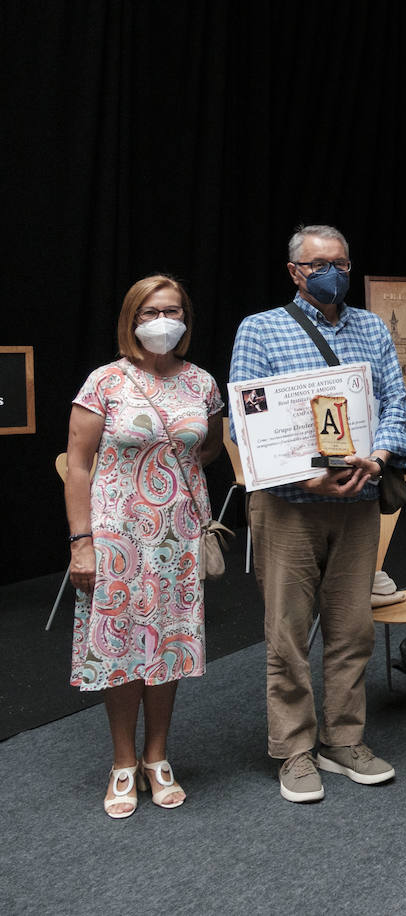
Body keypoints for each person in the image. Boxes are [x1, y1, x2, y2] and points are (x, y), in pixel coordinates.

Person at [229, 225, 406, 803]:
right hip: (289, 507)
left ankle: (344, 739)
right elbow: (243, 422)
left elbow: (396, 405)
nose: (331, 272)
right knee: (286, 633)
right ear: (294, 272)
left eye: (340, 262)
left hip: (358, 504)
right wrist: (302, 475)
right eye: (318, 264)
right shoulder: (259, 330)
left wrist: (379, 459)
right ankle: (294, 750)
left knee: (352, 631)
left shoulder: (373, 328)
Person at [65, 275, 224, 817]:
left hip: (176, 536)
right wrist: (81, 543)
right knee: (121, 649)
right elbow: (78, 467)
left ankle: (158, 756)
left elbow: (209, 447)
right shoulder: (104, 381)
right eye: (150, 312)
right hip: (115, 535)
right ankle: (123, 760)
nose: (163, 321)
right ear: (132, 320)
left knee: (169, 647)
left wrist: (170, 474)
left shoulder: (202, 382)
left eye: (172, 310)